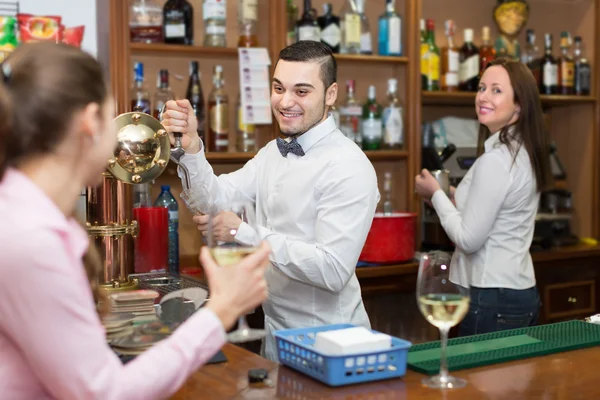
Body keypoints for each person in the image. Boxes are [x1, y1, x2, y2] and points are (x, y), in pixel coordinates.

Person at [0, 42, 270, 399]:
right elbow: (107, 393)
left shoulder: (26, 214)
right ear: (89, 121)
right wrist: (221, 311)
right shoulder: (33, 240)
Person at [161, 41, 379, 361]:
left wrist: (245, 234)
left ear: (330, 94)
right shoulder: (271, 154)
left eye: (301, 92)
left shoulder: (348, 165)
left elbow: (332, 270)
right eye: (278, 88)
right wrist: (192, 147)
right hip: (275, 338)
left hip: (331, 344)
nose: (285, 101)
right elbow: (212, 202)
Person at [415, 58, 551, 336]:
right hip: (517, 291)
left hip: (491, 296)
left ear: (519, 104)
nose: (483, 97)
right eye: (481, 88)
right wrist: (451, 195)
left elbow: (468, 239)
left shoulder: (496, 160)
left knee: (478, 379)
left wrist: (437, 196)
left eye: (496, 90)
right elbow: (496, 205)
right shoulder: (522, 151)